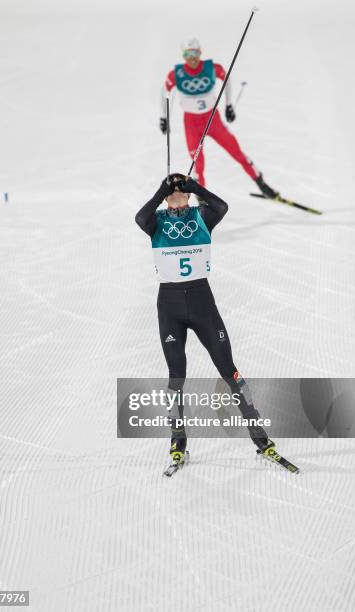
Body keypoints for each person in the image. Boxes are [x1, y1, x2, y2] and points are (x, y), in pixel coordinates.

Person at [135, 174, 274, 468]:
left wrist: (194, 186)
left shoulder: (203, 217)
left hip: (202, 304)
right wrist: (162, 188)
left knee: (229, 370)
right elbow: (139, 216)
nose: (175, 196)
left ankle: (259, 435)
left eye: (180, 192)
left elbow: (222, 206)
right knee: (176, 375)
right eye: (170, 194)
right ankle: (178, 440)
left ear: (187, 196)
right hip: (170, 307)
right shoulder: (156, 222)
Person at [160, 37, 278, 198]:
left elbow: (226, 79)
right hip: (191, 124)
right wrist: (164, 117)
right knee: (198, 164)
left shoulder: (212, 68)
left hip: (212, 120)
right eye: (187, 54)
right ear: (183, 56)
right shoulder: (176, 74)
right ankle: (202, 199)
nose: (192, 58)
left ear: (200, 52)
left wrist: (229, 105)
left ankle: (261, 184)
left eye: (194, 53)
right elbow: (164, 91)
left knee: (236, 152)